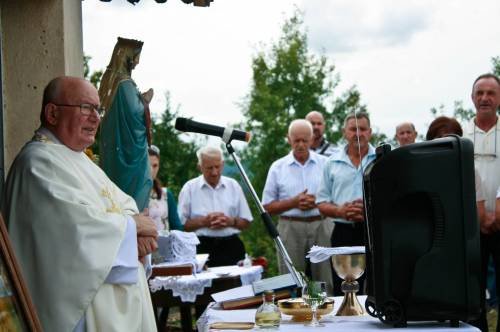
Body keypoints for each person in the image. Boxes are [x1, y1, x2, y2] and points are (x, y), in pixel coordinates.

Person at [1, 76, 158, 331]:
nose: (95, 118)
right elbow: (77, 233)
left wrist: (137, 232)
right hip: (77, 317)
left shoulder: (78, 159)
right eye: (85, 108)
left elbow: (125, 204)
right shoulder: (37, 163)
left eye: (97, 109)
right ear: (52, 113)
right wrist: (132, 229)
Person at [262, 119, 333, 292]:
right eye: (296, 140)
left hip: (321, 224)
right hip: (290, 226)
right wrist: (294, 202)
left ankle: (326, 315)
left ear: (312, 139)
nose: (300, 145)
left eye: (305, 140)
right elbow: (267, 207)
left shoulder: (326, 163)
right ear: (289, 139)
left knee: (324, 279)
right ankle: (292, 314)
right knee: (290, 279)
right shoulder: (277, 167)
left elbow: (336, 197)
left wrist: (315, 202)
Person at [316, 111, 377, 296]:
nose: (358, 134)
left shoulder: (381, 160)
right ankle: (345, 322)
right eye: (353, 129)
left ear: (370, 132)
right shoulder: (331, 163)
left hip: (372, 231)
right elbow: (321, 202)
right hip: (342, 232)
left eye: (363, 129)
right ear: (344, 132)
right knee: (342, 285)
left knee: (375, 283)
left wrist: (367, 211)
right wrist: (341, 211)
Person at [463, 73, 500, 332]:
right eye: (480, 93)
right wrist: (479, 214)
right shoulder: (461, 134)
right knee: (472, 288)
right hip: (470, 226)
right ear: (472, 97)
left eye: (491, 93)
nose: (485, 98)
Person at [99, 37, 153, 211]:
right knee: (138, 185)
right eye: (135, 57)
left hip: (114, 142)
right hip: (130, 148)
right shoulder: (124, 83)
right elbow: (135, 111)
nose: (136, 62)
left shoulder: (108, 80)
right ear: (127, 56)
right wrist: (145, 100)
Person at [178, 146, 253, 267]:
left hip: (231, 245)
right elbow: (180, 226)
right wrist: (204, 222)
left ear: (223, 164)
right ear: (200, 167)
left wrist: (230, 221)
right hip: (201, 248)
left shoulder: (233, 186)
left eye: (217, 167)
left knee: (238, 285)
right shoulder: (189, 188)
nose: (214, 172)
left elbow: (247, 222)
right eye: (209, 168)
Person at [425, 116, 486, 227]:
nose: (446, 144)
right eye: (440, 138)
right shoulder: (421, 172)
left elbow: (480, 214)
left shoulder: (471, 172)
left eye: (451, 139)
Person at [148, 145, 183, 232]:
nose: (151, 170)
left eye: (155, 166)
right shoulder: (130, 193)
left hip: (163, 244)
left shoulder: (166, 194)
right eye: (147, 165)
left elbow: (177, 227)